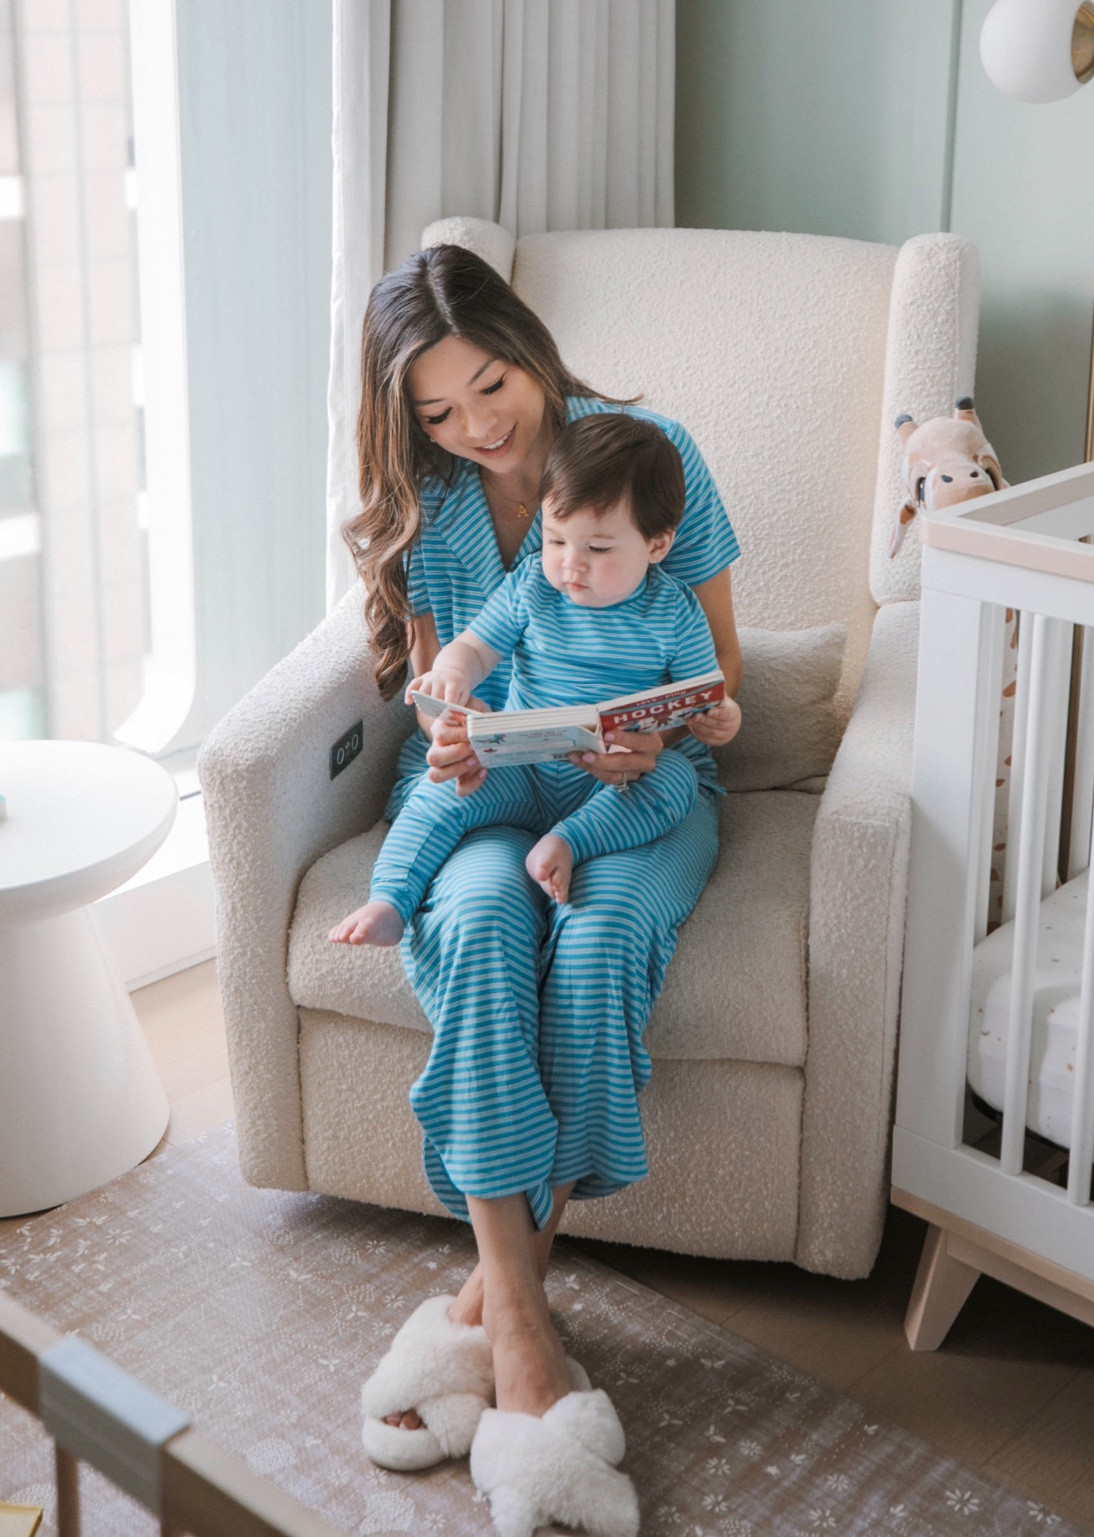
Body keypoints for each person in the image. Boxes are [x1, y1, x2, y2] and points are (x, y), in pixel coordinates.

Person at [344, 243, 741, 1535]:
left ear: (531, 343)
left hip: (640, 793)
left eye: (491, 382)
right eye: (437, 412)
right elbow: (434, 682)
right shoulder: (436, 514)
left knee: (600, 940)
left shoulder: (647, 451)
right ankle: (520, 1331)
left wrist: (657, 738)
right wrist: (449, 729)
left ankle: (477, 1310)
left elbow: (715, 670)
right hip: (492, 793)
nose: (475, 426)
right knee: (470, 925)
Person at [329, 413, 741, 945]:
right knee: (443, 792)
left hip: (614, 781)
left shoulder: (674, 612)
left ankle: (569, 843)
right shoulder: (531, 588)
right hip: (521, 767)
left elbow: (700, 695)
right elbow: (474, 648)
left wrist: (719, 718)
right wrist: (451, 673)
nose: (571, 565)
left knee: (676, 781)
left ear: (656, 545)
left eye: (597, 549)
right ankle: (389, 898)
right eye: (555, 540)